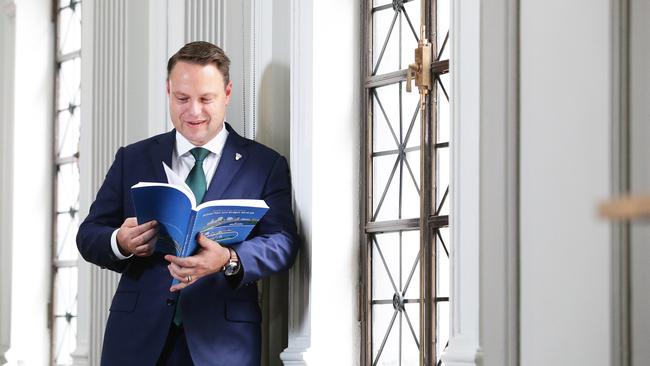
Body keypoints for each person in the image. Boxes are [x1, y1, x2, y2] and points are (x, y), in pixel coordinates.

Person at [77, 41, 299, 366]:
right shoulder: (133, 158)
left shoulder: (265, 164)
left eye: (205, 98)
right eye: (182, 98)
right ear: (168, 91)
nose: (193, 111)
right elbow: (89, 234)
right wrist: (120, 242)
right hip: (135, 340)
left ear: (227, 93)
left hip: (223, 343)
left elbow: (282, 242)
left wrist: (229, 258)